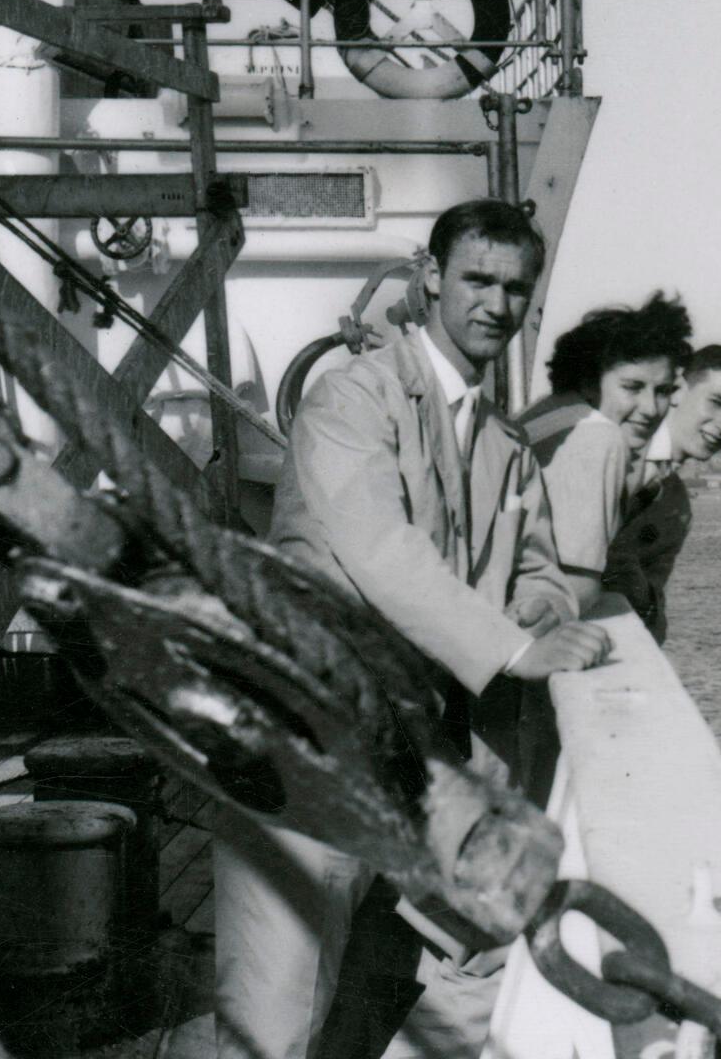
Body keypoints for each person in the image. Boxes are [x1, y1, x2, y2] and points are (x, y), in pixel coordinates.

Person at [217, 200, 613, 1059]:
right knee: (273, 1011)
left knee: (376, 979)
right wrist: (515, 648)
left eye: (516, 288)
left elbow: (545, 572)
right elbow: (378, 548)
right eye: (477, 279)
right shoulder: (351, 402)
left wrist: (543, 611)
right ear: (431, 278)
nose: (496, 305)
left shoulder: (503, 445)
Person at [516, 292, 693, 612]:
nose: (651, 408)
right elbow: (577, 591)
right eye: (632, 387)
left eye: (663, 391)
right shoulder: (600, 438)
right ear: (589, 382)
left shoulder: (543, 416)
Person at [603, 345, 721, 641]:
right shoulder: (611, 448)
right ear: (676, 392)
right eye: (715, 402)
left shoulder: (676, 508)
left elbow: (652, 614)